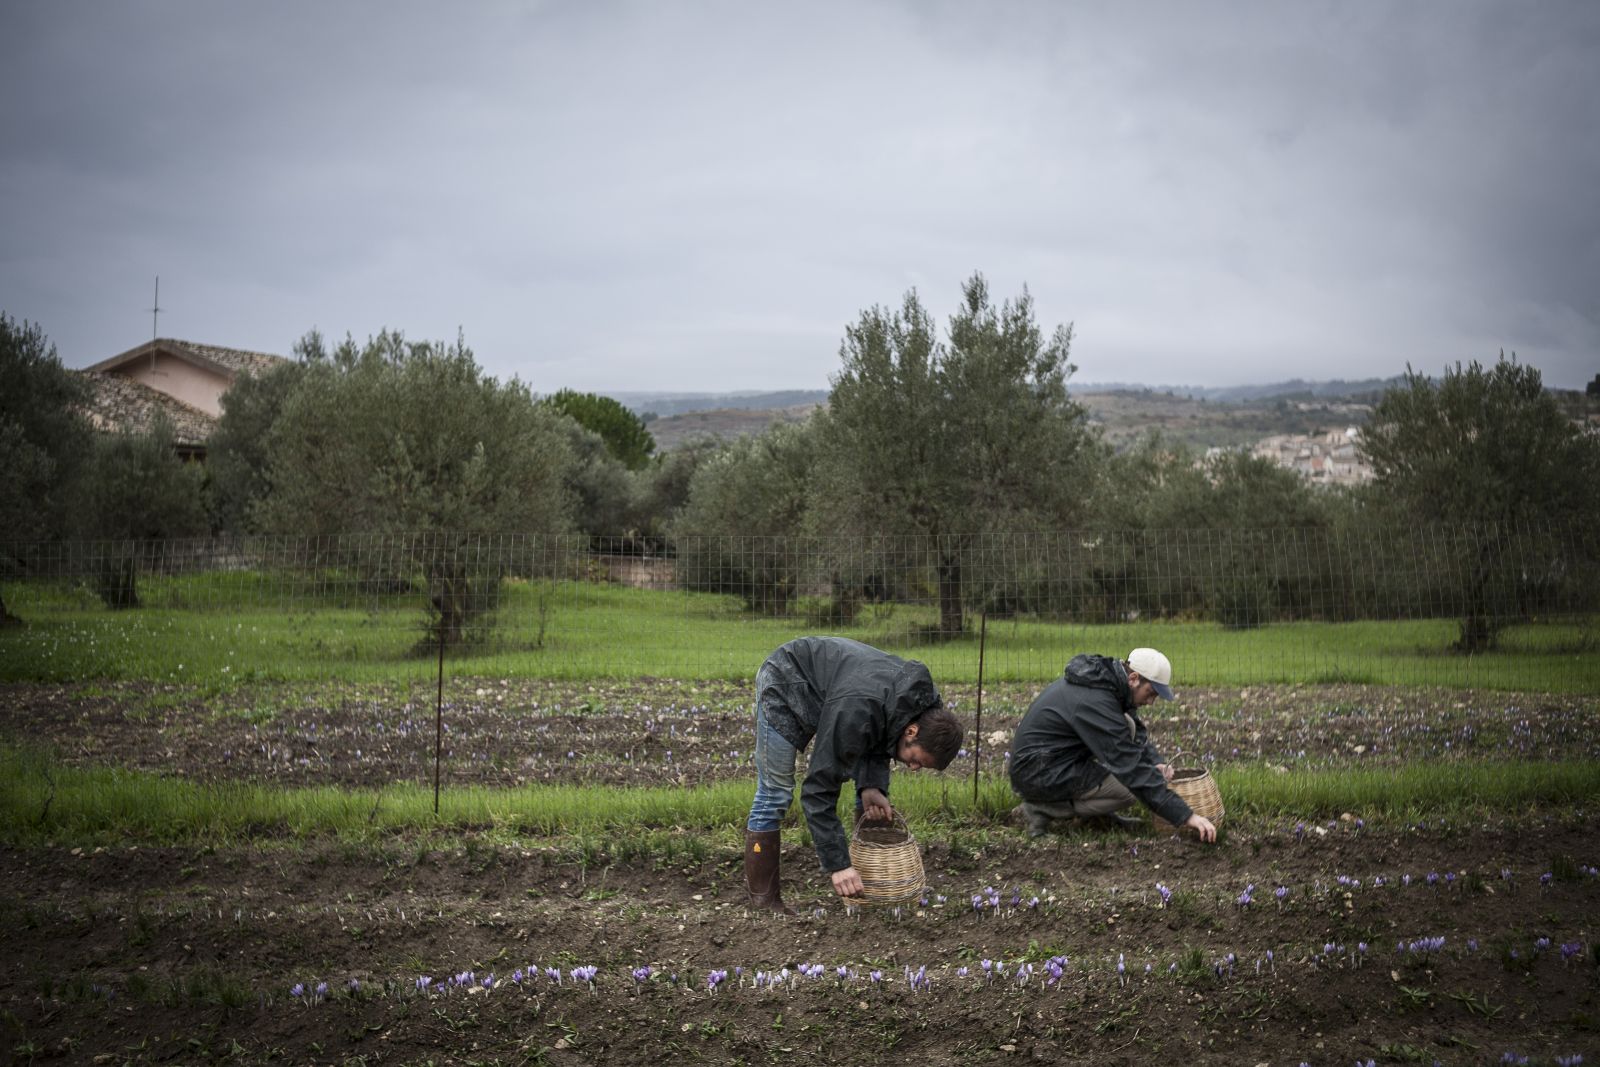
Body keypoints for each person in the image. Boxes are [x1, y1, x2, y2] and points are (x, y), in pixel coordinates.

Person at [744, 636, 966, 913]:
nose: (912, 768)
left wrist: (871, 785)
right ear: (912, 732)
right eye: (916, 760)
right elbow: (817, 790)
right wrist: (838, 865)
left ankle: (874, 885)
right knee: (774, 793)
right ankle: (765, 904)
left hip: (842, 687)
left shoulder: (921, 704)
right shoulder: (855, 712)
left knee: (869, 785)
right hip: (787, 680)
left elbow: (882, 727)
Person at [1008, 647, 1217, 842]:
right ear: (1134, 678)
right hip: (1037, 771)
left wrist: (1155, 762)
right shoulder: (1096, 701)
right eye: (1151, 693)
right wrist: (1186, 816)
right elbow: (1129, 766)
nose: (1151, 702)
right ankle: (1041, 809)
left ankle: (1096, 815)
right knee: (1127, 790)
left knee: (1127, 724)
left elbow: (1132, 733)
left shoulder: (1107, 684)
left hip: (1056, 760)